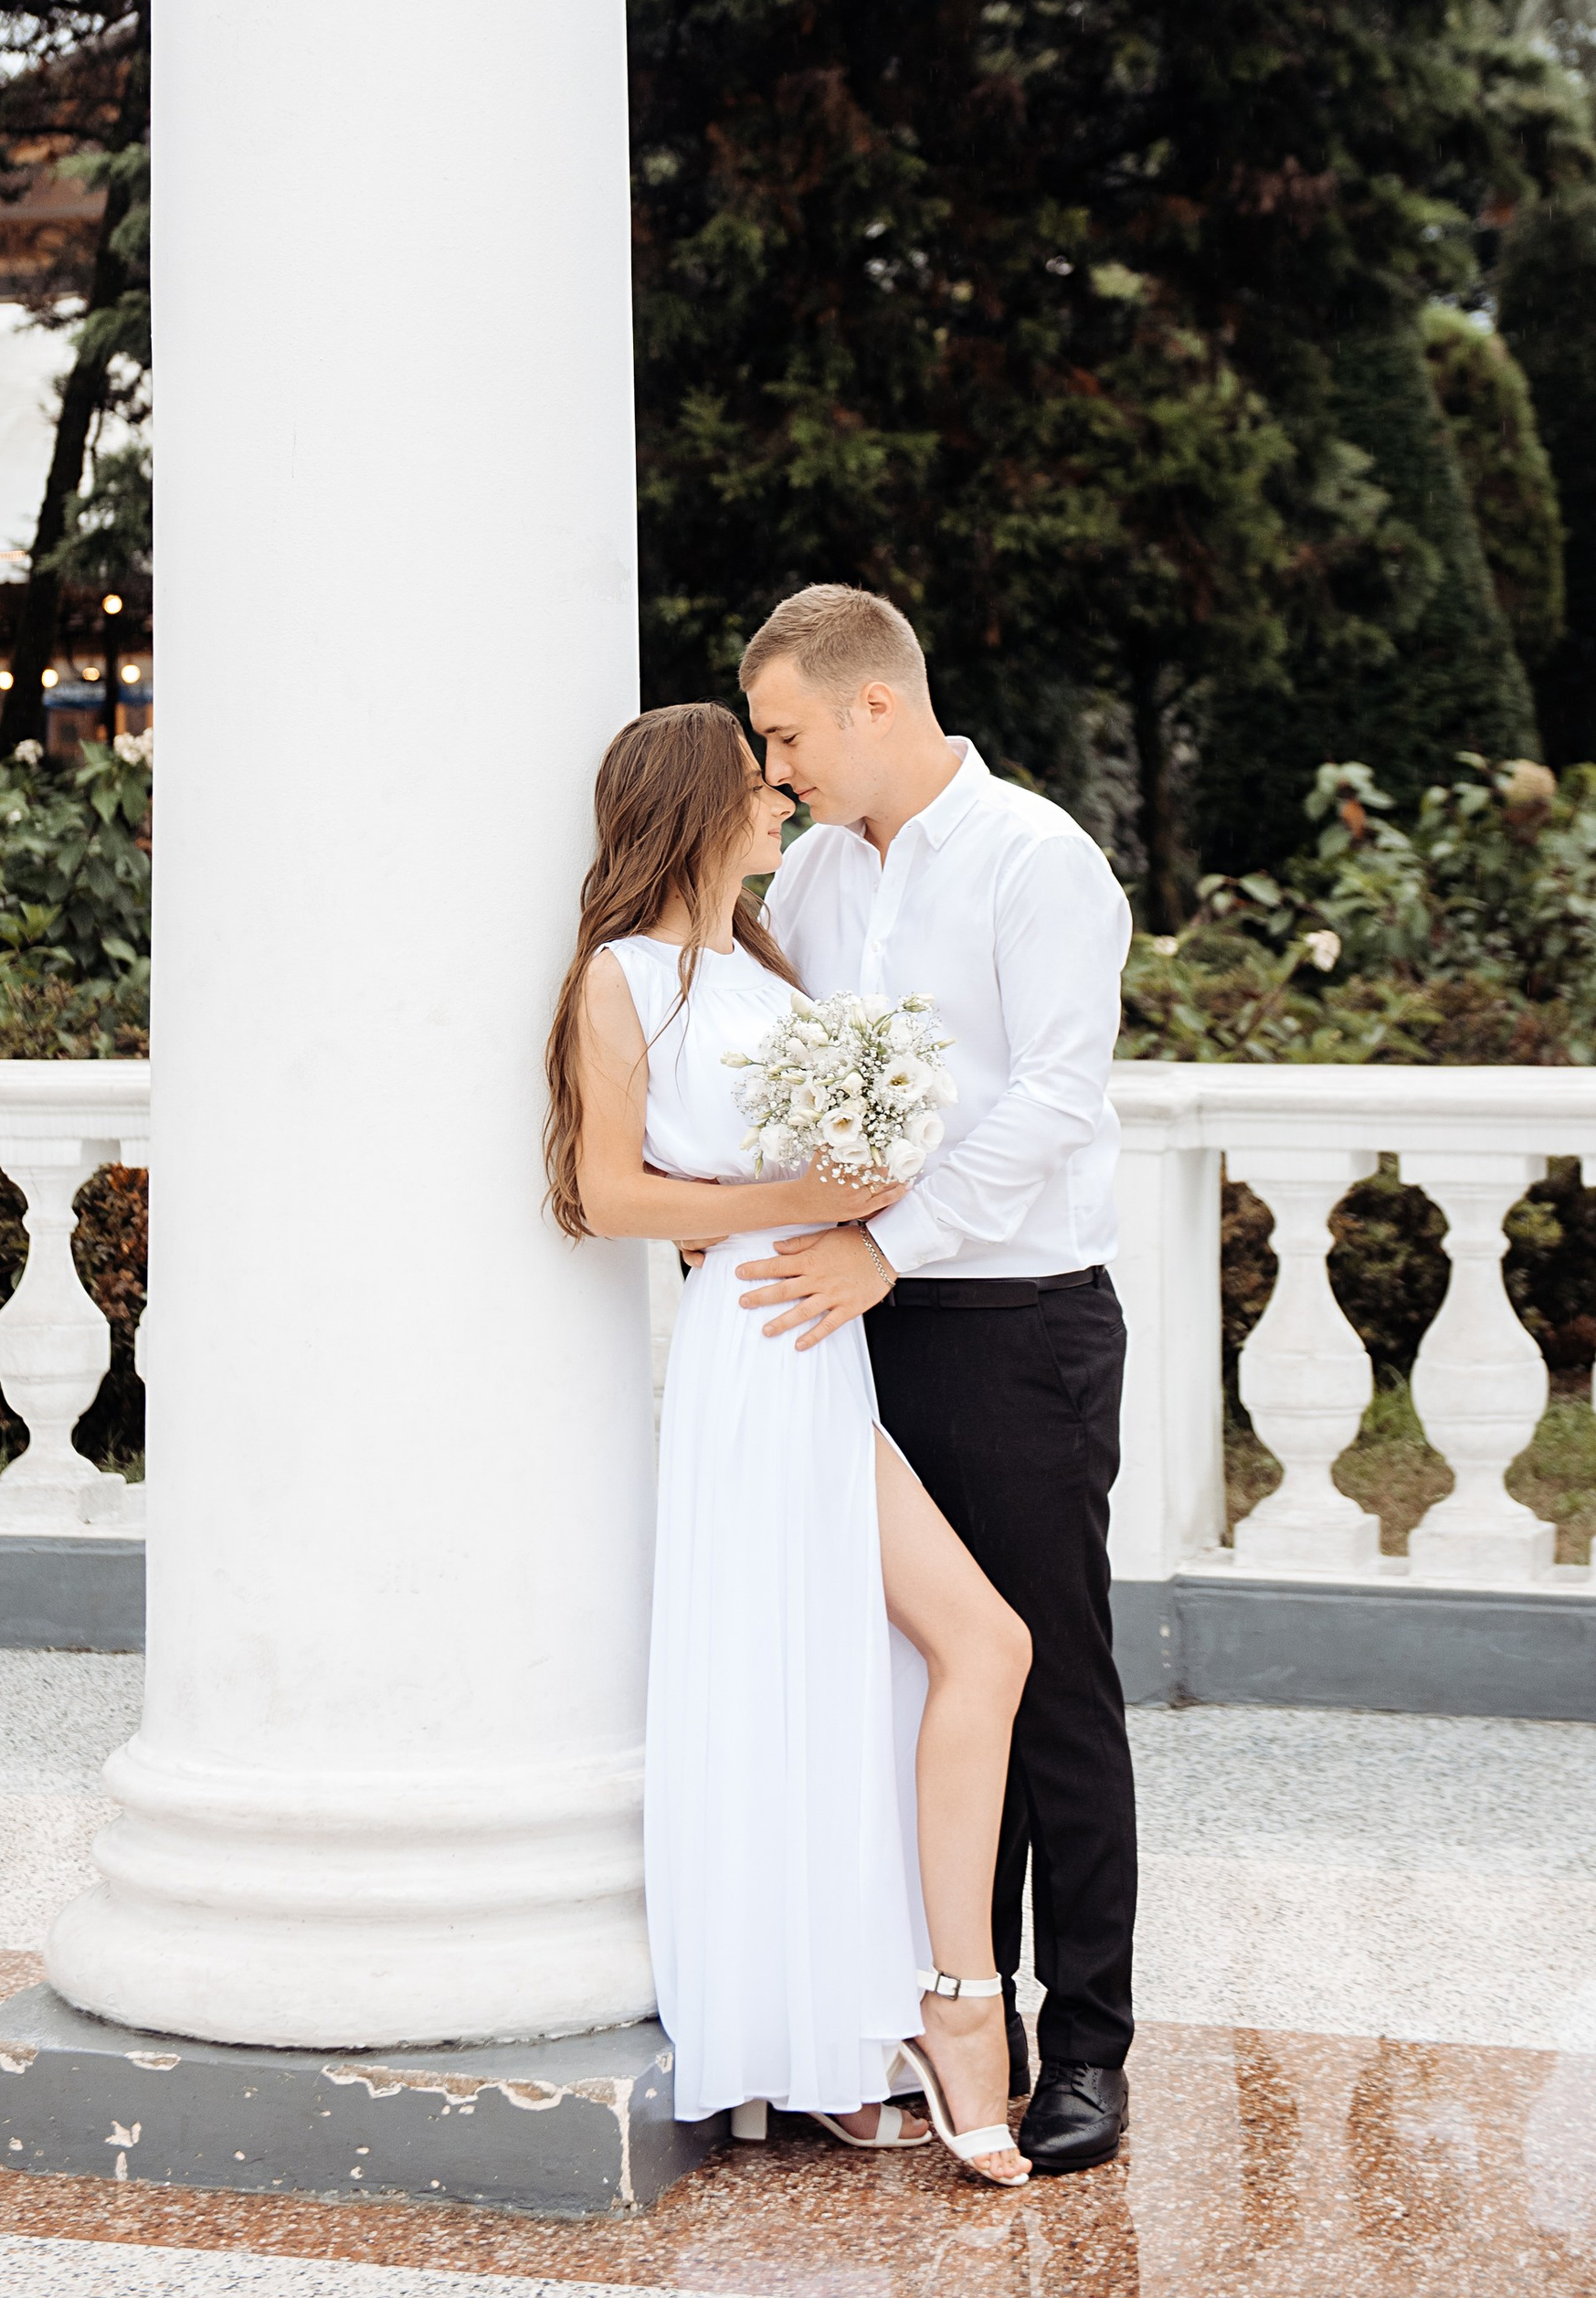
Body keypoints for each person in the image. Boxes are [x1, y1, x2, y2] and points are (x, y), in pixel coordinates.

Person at [544, 704, 1033, 2181]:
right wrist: (798, 1203)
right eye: (759, 786)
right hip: (754, 1351)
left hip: (828, 1347)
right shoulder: (617, 984)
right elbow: (606, 1198)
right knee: (958, 1648)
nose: (782, 804)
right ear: (697, 809)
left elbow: (836, 1163)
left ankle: (854, 2028)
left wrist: (871, 1179)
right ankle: (940, 2016)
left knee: (881, 1673)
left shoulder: (763, 960)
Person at [734, 585, 1137, 2180]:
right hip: (860, 1323)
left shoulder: (1040, 861)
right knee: (907, 1683)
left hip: (1018, 1324)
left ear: (872, 707)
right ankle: (954, 2020)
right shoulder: (818, 874)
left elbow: (1053, 1102)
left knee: (1048, 1684)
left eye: (786, 735)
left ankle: (1086, 2044)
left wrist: (891, 1252)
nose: (777, 772)